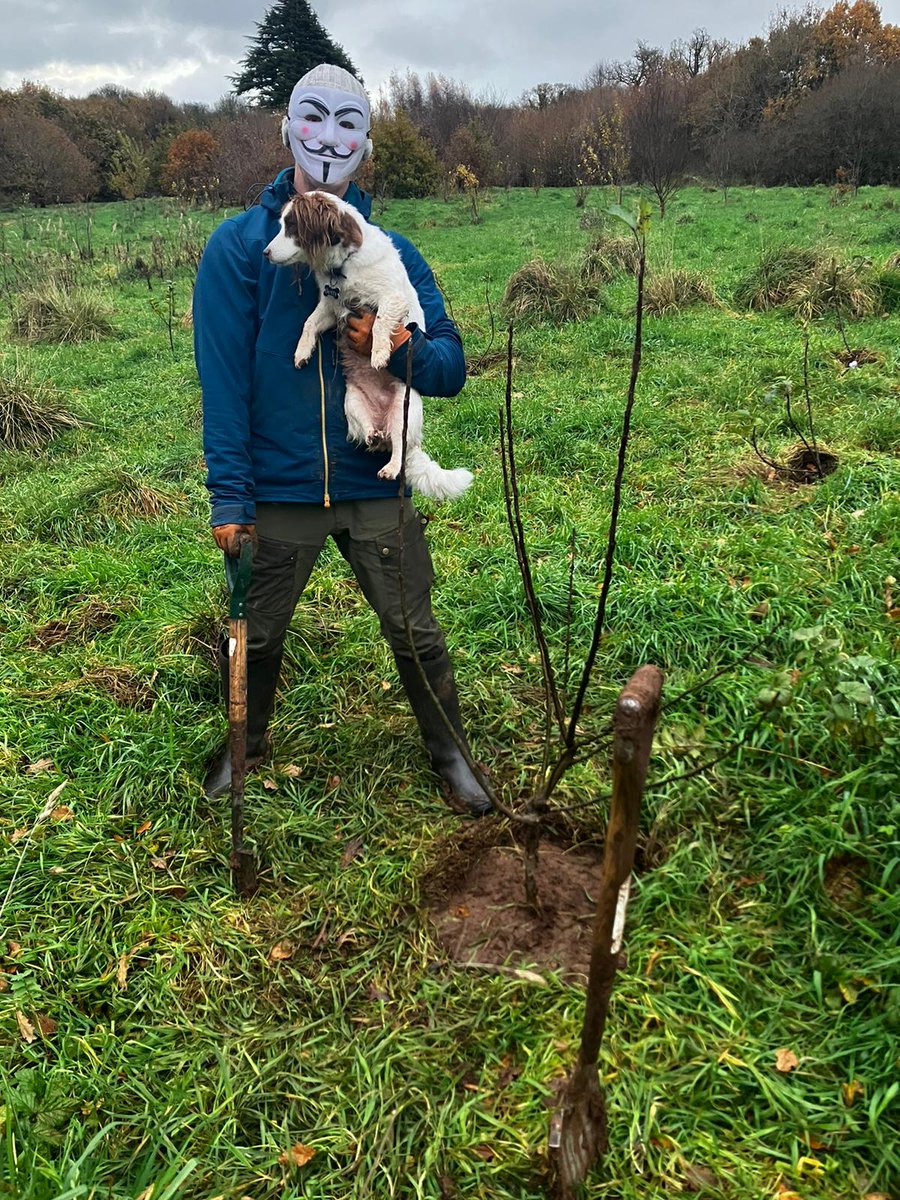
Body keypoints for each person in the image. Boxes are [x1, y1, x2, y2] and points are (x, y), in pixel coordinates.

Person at [193, 63, 491, 817]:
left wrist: (399, 343)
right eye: (314, 118)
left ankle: (452, 756)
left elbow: (452, 364)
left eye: (348, 123)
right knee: (253, 638)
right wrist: (231, 496)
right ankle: (245, 745)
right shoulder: (239, 250)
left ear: (365, 142)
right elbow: (223, 386)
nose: (329, 138)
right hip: (281, 487)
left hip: (373, 483)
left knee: (414, 630)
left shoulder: (391, 253)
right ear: (287, 125)